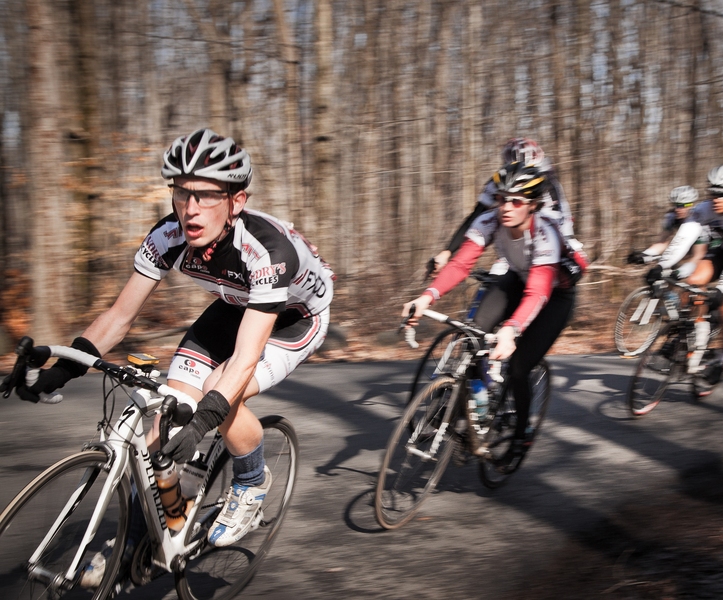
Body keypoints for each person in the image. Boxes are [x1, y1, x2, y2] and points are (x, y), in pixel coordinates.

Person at [7, 128, 334, 577]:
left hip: (296, 317)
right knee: (162, 420)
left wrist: (204, 419)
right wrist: (59, 369)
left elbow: (242, 361)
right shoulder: (168, 236)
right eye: (181, 193)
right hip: (235, 305)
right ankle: (150, 540)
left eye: (205, 195)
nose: (190, 208)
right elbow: (119, 317)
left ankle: (252, 482)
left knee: (219, 392)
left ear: (237, 201)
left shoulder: (266, 251)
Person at [405, 160, 576, 471]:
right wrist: (426, 296)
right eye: (500, 198)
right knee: (471, 333)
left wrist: (512, 328)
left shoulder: (545, 234)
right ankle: (469, 410)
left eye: (515, 201)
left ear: (533, 206)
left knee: (520, 368)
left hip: (554, 297)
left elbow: (538, 291)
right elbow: (459, 265)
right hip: (516, 279)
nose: (505, 207)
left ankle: (520, 436)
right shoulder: (491, 221)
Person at [646, 164, 723, 390]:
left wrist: (722, 289)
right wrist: (662, 266)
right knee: (692, 284)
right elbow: (683, 238)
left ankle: (722, 359)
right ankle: (693, 335)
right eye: (712, 192)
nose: (716, 198)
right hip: (721, 250)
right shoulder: (703, 209)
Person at [428, 138, 582, 277]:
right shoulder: (499, 182)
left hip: (551, 243)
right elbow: (475, 218)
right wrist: (447, 252)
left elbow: (559, 225)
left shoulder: (547, 184)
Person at [627, 185, 706, 279]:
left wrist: (681, 272)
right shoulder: (671, 217)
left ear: (691, 205)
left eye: (683, 205)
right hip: (680, 248)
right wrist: (645, 254)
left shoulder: (698, 222)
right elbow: (662, 242)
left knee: (693, 281)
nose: (678, 209)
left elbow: (699, 255)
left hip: (701, 249)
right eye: (676, 205)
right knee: (665, 276)